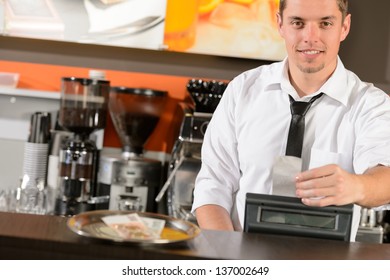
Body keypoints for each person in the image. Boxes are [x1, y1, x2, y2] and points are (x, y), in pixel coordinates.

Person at [191, 0, 390, 241]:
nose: (310, 37)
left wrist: (356, 186)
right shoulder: (243, 90)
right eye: (298, 23)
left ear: (344, 27)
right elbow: (213, 186)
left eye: (325, 23)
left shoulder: (371, 104)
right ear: (280, 24)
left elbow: (385, 177)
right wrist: (231, 260)